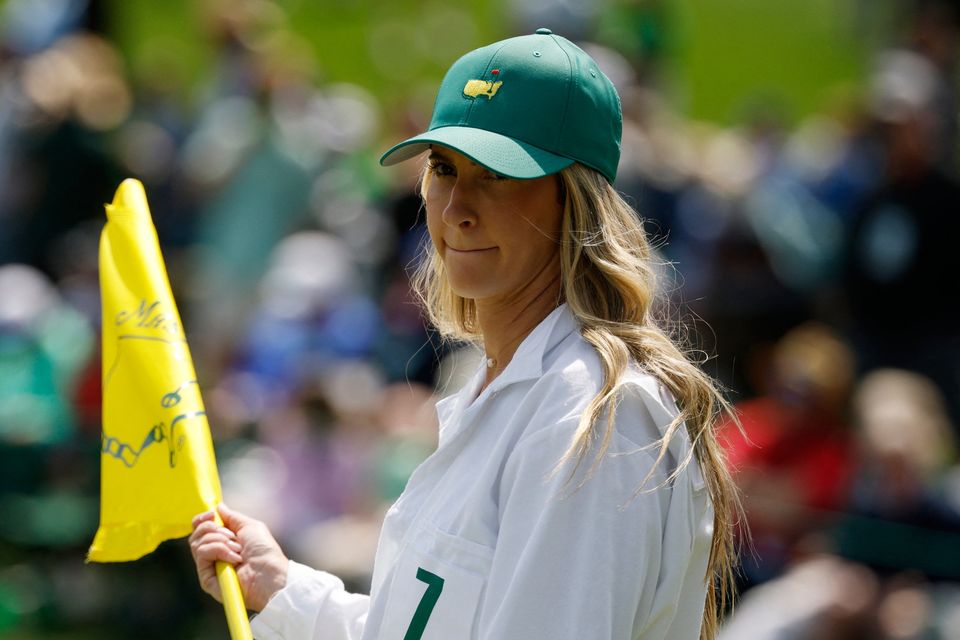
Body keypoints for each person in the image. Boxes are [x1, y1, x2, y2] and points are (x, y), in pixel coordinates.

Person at [190, 29, 740, 640]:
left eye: (498, 175)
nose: (456, 208)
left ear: (576, 203)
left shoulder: (589, 414)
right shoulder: (508, 387)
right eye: (444, 169)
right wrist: (287, 592)